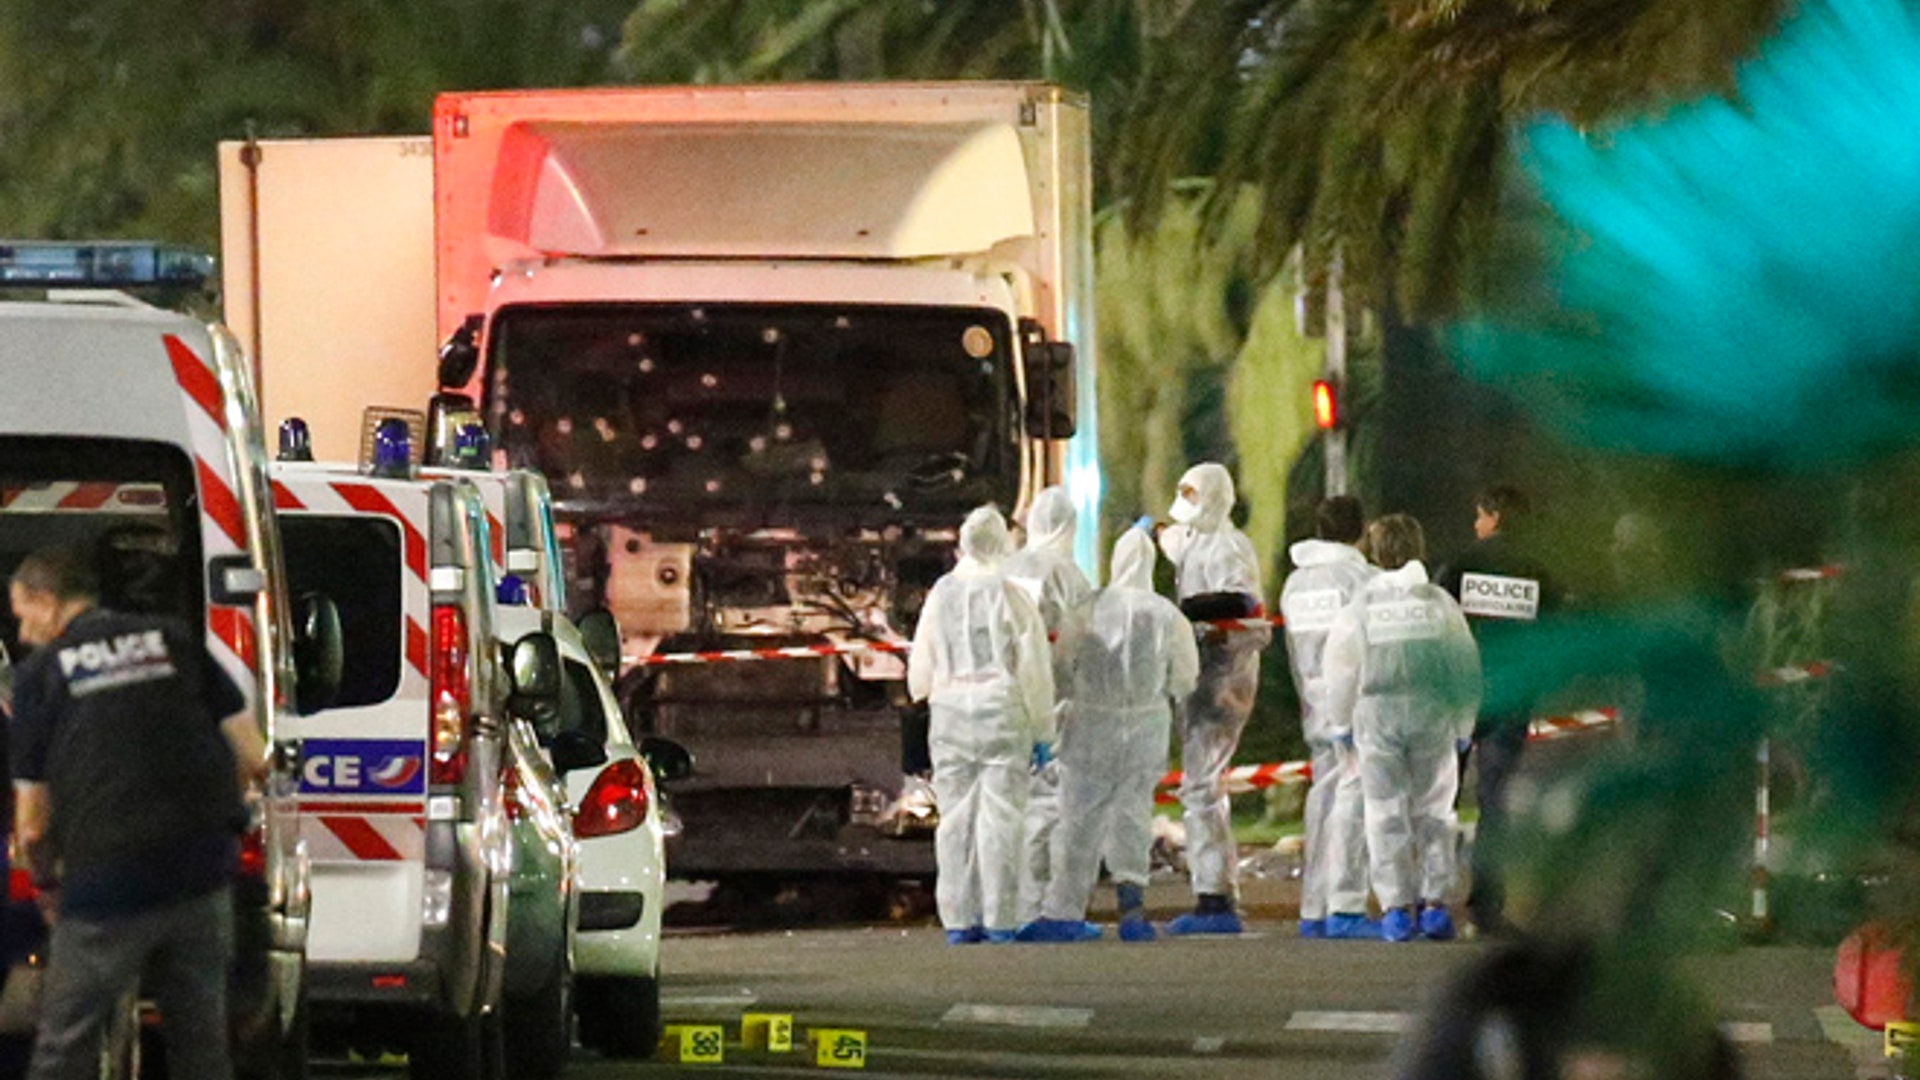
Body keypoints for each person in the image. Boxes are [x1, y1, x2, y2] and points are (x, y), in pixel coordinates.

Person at [8, 548, 266, 1079]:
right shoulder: (172, 640)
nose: (24, 634)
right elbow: (253, 755)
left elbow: (32, 824)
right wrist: (217, 816)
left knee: (64, 1049)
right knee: (202, 1049)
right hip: (201, 874)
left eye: (21, 616)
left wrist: (46, 888)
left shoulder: (41, 676)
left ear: (45, 600)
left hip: (105, 886)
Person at [1027, 527, 1199, 943]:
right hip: (1145, 727)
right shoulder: (1166, 615)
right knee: (1133, 815)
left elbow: (1061, 667)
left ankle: (1064, 913)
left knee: (1078, 819)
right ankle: (1132, 910)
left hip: (1092, 725)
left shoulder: (1088, 608)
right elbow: (1185, 678)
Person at [1325, 515, 1480, 943]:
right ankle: (1434, 904)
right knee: (1435, 812)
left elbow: (1341, 670)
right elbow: (1464, 665)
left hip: (1377, 715)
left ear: (1377, 553)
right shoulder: (1439, 604)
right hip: (1433, 712)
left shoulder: (1361, 607)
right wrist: (1463, 723)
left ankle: (1396, 908)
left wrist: (1340, 724)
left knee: (1384, 812)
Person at [907, 507, 1055, 944]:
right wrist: (1042, 730)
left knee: (954, 820)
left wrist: (927, 693)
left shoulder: (942, 592)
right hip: (1001, 713)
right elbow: (1033, 667)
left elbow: (922, 663)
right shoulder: (1011, 594)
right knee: (1001, 819)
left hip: (950, 712)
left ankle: (957, 919)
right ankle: (999, 919)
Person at [1434, 485, 1561, 936]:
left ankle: (1428, 900)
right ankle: (1487, 906)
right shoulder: (1539, 571)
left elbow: (1435, 619)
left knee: (1438, 798)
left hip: (1459, 692)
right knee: (1496, 800)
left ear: (1494, 516)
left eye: (1480, 515)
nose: (1475, 524)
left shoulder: (1461, 566)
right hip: (1510, 693)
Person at [1158, 463, 1270, 935]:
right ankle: (1218, 889)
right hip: (1201, 677)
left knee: (1202, 785)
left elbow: (1243, 605)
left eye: (1190, 492)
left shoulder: (1228, 546)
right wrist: (1148, 531)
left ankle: (1214, 898)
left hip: (1225, 679)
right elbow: (1169, 537)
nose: (1183, 498)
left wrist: (1188, 613)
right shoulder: (1193, 541)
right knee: (1204, 783)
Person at [1279, 495, 1379, 940]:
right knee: (1352, 803)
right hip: (1355, 701)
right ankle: (1346, 904)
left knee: (1321, 799)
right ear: (1360, 531)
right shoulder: (1363, 580)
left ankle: (1313, 906)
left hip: (1314, 699)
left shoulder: (1296, 584)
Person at [1002, 487, 1094, 939]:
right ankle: (1040, 909)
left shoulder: (1010, 568)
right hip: (1055, 698)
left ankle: (1002, 905)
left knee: (1006, 803)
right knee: (1049, 804)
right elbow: (1079, 641)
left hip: (1005, 699)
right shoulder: (1067, 574)